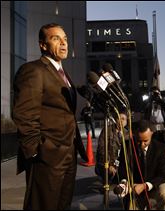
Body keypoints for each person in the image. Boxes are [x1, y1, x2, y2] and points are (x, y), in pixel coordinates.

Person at [12, 23, 88, 210]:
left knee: (63, 205)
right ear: (43, 45)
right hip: (47, 156)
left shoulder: (62, 73)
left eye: (65, 39)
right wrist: (38, 152)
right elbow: (23, 115)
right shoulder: (34, 70)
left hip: (69, 153)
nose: (63, 43)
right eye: (56, 39)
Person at [117, 120, 165, 210]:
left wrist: (145, 185)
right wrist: (124, 182)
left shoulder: (160, 147)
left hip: (154, 184)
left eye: (145, 141)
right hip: (134, 186)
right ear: (134, 135)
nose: (142, 145)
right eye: (139, 141)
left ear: (151, 134)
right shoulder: (127, 147)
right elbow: (122, 168)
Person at [95, 112, 129, 183]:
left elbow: (125, 152)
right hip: (106, 161)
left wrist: (116, 165)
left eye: (123, 119)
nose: (121, 121)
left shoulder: (127, 134)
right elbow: (102, 149)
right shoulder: (107, 130)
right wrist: (110, 164)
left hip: (118, 161)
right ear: (116, 120)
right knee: (108, 174)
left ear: (126, 121)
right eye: (118, 118)